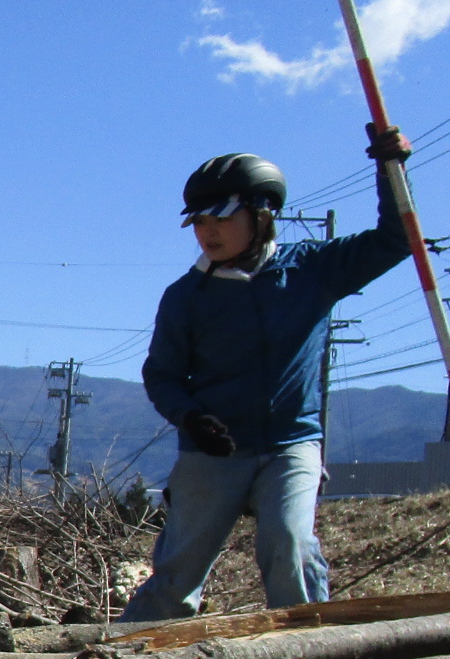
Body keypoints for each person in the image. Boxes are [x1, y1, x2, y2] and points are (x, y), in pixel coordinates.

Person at [120, 124, 413, 621]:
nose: (206, 231)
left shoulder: (314, 269)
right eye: (197, 221)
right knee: (177, 576)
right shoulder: (186, 296)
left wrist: (392, 169)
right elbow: (162, 375)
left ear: (261, 214)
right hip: (213, 450)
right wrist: (191, 419)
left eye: (220, 217)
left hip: (292, 443)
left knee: (291, 549)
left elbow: (396, 240)